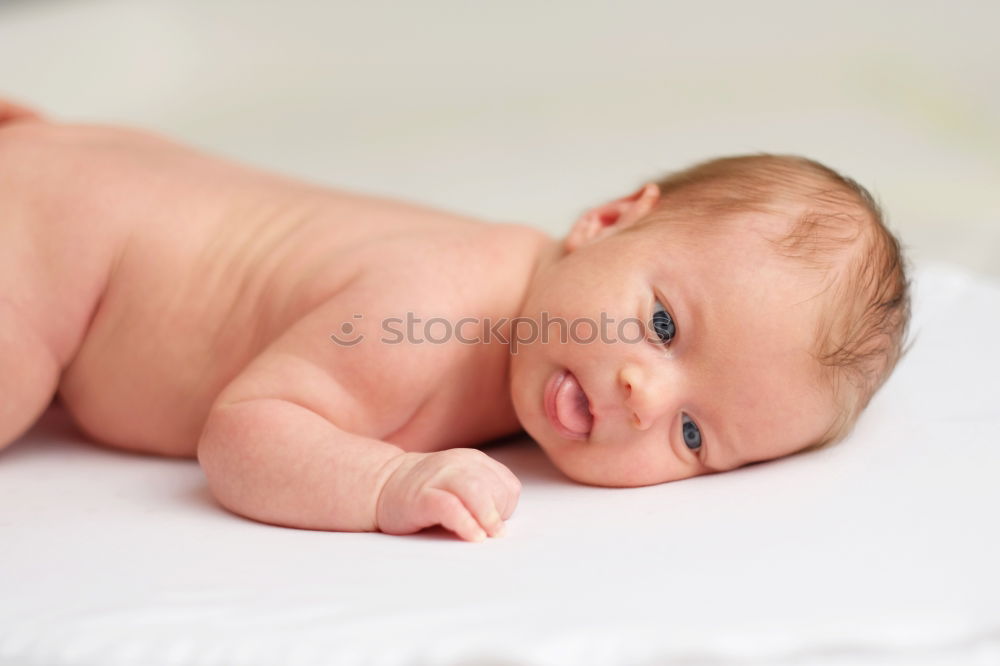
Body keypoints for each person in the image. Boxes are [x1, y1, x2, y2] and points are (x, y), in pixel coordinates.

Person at [0, 99, 911, 542]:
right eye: (665, 327)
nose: (643, 394)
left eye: (691, 433)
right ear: (605, 222)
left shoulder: (542, 338)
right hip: (59, 236)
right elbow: (244, 434)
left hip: (107, 177)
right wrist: (386, 485)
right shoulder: (431, 312)